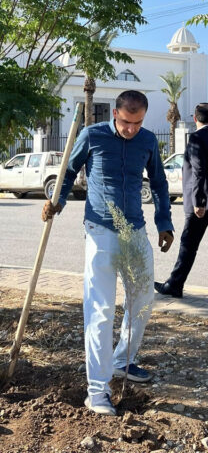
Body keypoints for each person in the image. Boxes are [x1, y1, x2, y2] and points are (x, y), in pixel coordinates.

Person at [44, 90, 173, 416]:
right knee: (101, 311)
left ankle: (122, 361)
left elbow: (158, 182)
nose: (132, 129)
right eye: (127, 122)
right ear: (115, 114)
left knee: (142, 300)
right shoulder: (92, 135)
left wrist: (164, 222)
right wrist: (56, 201)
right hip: (100, 232)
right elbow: (69, 172)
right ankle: (97, 392)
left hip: (136, 231)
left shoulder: (146, 141)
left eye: (139, 122)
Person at [156, 102, 208, 298]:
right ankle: (174, 283)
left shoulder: (197, 137)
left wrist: (199, 201)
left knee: (188, 244)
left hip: (200, 203)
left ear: (195, 119)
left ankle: (175, 285)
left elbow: (199, 170)